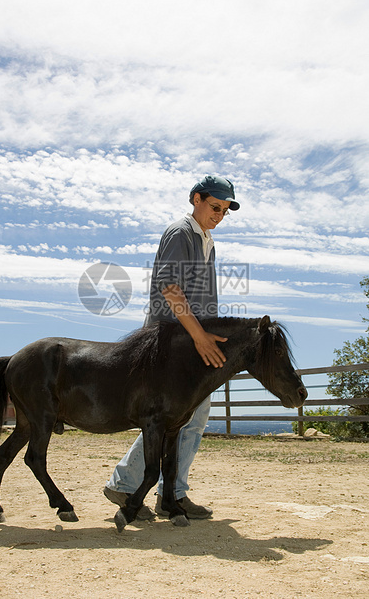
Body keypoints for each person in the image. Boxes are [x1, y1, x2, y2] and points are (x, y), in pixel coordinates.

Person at [104, 175, 240, 519]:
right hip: (172, 342)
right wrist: (199, 336)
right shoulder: (181, 232)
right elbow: (170, 288)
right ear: (196, 199)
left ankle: (170, 494)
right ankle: (129, 486)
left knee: (192, 417)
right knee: (174, 418)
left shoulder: (206, 239)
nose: (218, 215)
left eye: (224, 210)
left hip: (193, 341)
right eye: (214, 207)